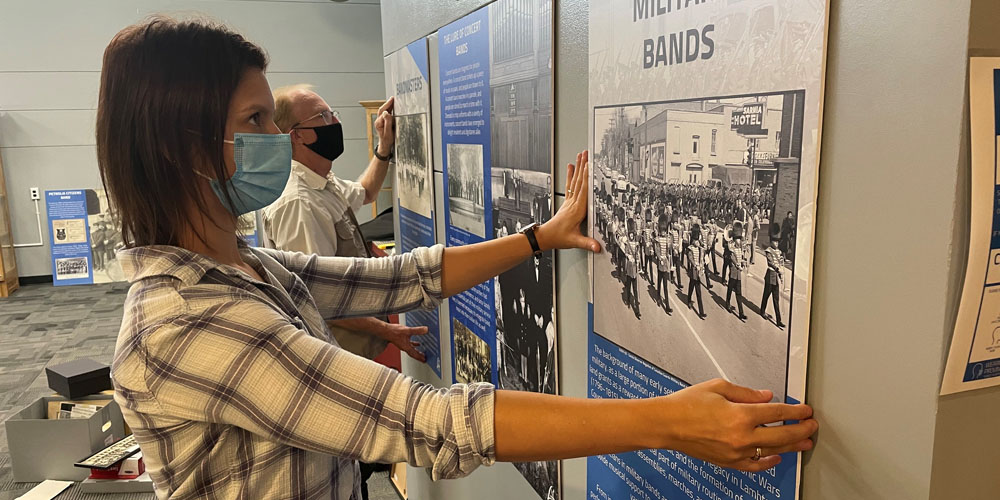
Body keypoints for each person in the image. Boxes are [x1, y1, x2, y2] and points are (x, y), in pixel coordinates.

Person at [99, 17, 817, 500]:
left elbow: (405, 276)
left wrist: (540, 236)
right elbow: (429, 420)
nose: (276, 140)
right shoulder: (185, 324)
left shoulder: (247, 266)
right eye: (252, 123)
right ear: (177, 146)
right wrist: (667, 423)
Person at [262, 85, 423, 364]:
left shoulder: (322, 183)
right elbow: (318, 297)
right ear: (297, 136)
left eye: (332, 114)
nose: (335, 122)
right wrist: (386, 329)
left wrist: (383, 148)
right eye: (323, 117)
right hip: (337, 356)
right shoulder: (299, 203)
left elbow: (366, 192)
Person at [761, 236, 786, 329]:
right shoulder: (768, 251)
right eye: (775, 242)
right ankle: (762, 311)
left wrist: (781, 275)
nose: (776, 244)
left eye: (777, 242)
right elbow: (770, 262)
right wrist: (777, 269)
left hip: (775, 277)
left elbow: (779, 264)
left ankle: (779, 320)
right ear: (771, 242)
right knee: (766, 296)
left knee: (776, 299)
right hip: (770, 276)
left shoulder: (779, 252)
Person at [726, 222, 749, 321]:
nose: (739, 241)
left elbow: (740, 259)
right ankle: (727, 303)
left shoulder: (740, 248)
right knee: (730, 289)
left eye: (739, 239)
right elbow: (732, 258)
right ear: (734, 239)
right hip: (733, 272)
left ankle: (741, 313)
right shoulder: (731, 248)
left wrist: (743, 262)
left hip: (738, 274)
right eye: (737, 239)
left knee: (739, 293)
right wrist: (738, 264)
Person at [686, 224, 707, 320]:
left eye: (697, 240)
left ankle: (701, 311)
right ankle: (689, 300)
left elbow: (702, 257)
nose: (696, 242)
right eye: (695, 240)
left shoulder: (700, 248)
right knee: (693, 288)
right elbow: (690, 259)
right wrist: (696, 265)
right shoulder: (690, 248)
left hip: (698, 273)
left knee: (697, 291)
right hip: (693, 271)